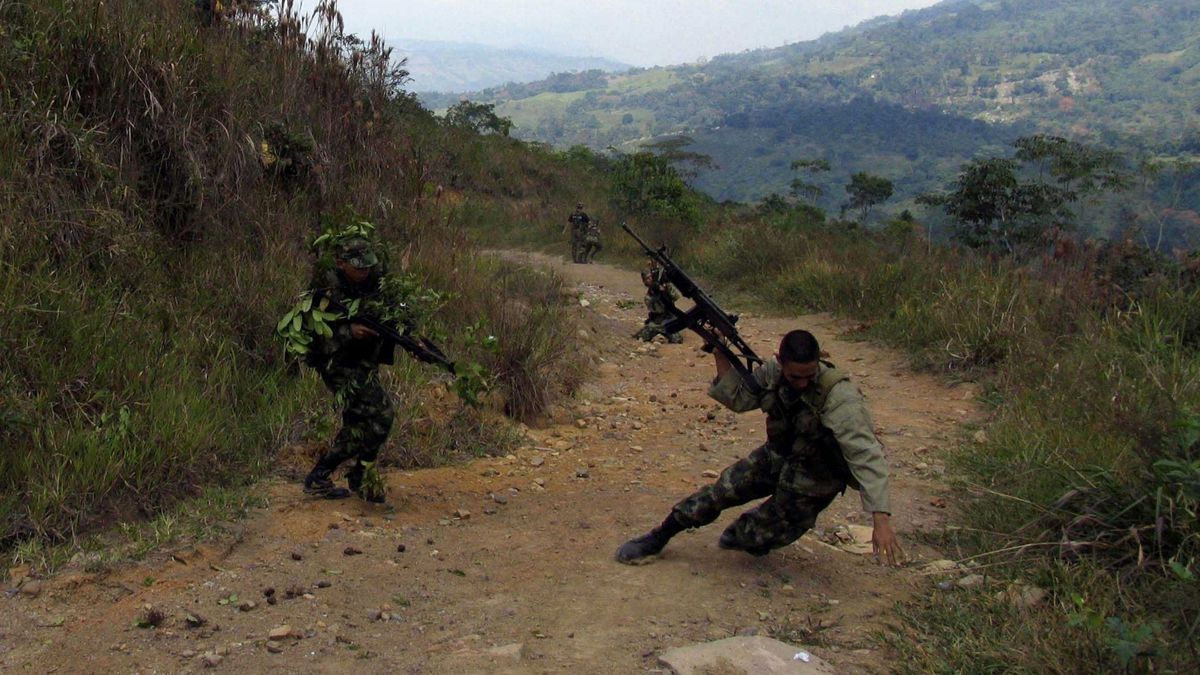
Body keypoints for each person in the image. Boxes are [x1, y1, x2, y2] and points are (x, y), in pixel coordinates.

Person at [615, 329, 902, 566]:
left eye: (809, 376)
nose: (802, 383)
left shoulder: (841, 399)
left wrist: (881, 520)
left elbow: (867, 458)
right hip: (779, 456)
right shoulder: (772, 373)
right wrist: (720, 352)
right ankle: (659, 536)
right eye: (794, 377)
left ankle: (749, 531)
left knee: (750, 537)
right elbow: (738, 399)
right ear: (780, 362)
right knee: (722, 490)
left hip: (815, 477)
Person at [301, 236, 397, 502]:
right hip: (336, 362)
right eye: (358, 267)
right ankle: (359, 475)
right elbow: (311, 331)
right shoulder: (325, 288)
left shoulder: (375, 280)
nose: (364, 271)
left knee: (357, 422)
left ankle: (322, 476)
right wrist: (348, 332)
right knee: (382, 414)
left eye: (367, 265)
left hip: (363, 361)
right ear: (341, 263)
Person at [634, 262, 682, 344]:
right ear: (644, 282)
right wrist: (657, 294)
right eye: (647, 278)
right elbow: (658, 310)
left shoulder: (665, 286)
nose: (650, 280)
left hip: (669, 319)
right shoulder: (648, 296)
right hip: (657, 323)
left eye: (650, 277)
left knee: (677, 340)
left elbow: (676, 297)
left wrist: (667, 287)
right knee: (640, 337)